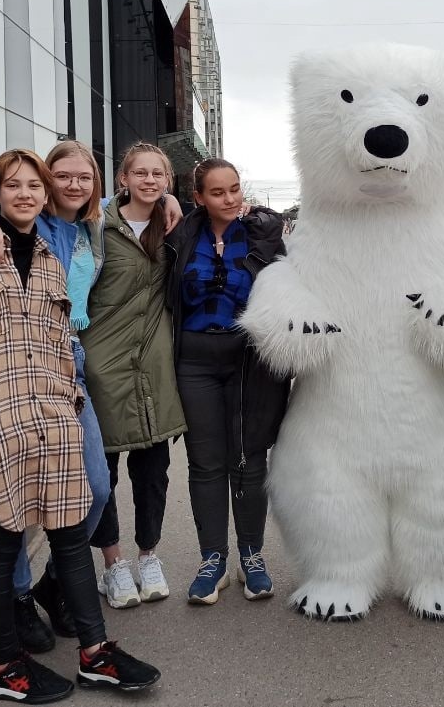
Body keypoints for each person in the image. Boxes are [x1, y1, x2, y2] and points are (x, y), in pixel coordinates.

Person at [0, 141, 180, 651]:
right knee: (9, 501)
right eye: (61, 175)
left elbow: (137, 208)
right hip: (6, 377)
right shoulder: (22, 224)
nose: (74, 184)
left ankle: (56, 582)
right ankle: (18, 599)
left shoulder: (89, 227)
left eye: (84, 176)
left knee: (94, 488)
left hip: (68, 373)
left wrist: (169, 199)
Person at [165, 159, 290, 604]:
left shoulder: (261, 234)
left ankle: (251, 556)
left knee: (250, 457)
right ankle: (212, 559)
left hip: (249, 361)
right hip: (194, 361)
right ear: (198, 197)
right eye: (217, 192)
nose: (230, 199)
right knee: (206, 462)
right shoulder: (178, 234)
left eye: (234, 189)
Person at [81, 142, 188, 609]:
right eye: (139, 173)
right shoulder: (96, 227)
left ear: (168, 180)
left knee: (153, 472)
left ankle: (149, 555)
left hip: (155, 366)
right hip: (103, 363)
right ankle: (113, 565)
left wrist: (174, 203)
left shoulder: (174, 228)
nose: (148, 180)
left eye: (157, 174)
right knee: (103, 474)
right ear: (122, 178)